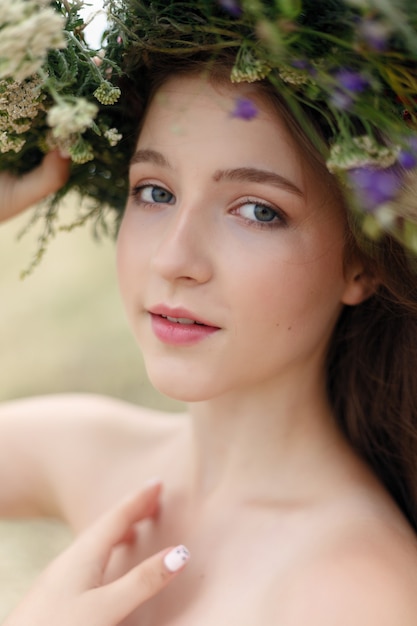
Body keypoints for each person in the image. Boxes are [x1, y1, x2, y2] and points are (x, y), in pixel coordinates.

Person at [2, 4, 417, 626]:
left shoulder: (359, 591)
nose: (174, 259)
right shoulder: (95, 452)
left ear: (361, 264)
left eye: (256, 210)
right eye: (156, 192)